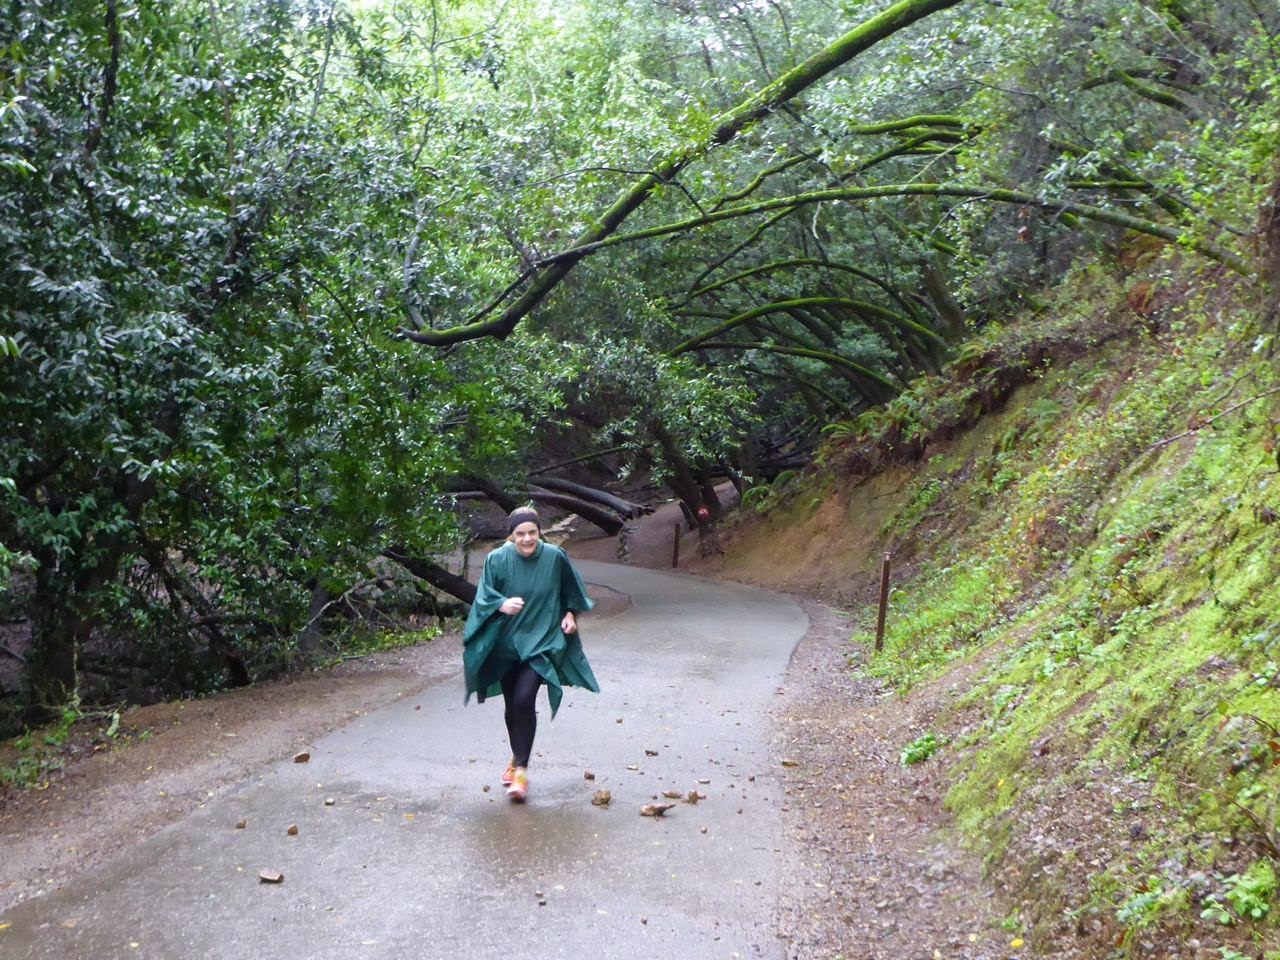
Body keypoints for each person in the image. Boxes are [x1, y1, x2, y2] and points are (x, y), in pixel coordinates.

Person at [461, 506, 599, 802]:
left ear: (540, 532)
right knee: (512, 706)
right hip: (506, 644)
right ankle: (516, 758)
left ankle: (521, 772)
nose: (527, 539)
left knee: (525, 699)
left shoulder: (554, 557)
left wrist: (570, 614)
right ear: (511, 535)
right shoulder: (497, 559)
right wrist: (501, 604)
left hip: (542, 641)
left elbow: (571, 591)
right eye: (520, 534)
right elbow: (484, 597)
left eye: (532, 533)